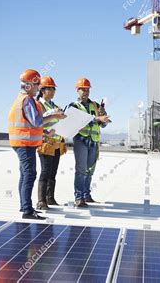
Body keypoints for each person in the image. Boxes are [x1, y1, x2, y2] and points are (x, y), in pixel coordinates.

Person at [8, 69, 65, 220]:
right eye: (36, 85)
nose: (38, 88)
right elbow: (37, 121)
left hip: (22, 142)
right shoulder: (27, 100)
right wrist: (55, 116)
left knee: (24, 174)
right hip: (24, 143)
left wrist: (44, 132)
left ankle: (24, 205)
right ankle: (27, 210)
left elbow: (31, 124)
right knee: (29, 174)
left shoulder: (21, 99)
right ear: (29, 85)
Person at [69, 78, 110, 208]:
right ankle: (78, 198)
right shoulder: (73, 106)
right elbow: (78, 121)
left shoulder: (95, 105)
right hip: (81, 140)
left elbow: (102, 125)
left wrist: (104, 118)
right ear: (77, 90)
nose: (86, 92)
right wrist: (97, 118)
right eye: (83, 89)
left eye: (87, 89)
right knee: (81, 170)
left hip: (93, 141)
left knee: (90, 170)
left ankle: (86, 195)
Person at [35, 76, 67, 210]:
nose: (53, 91)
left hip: (57, 143)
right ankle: (41, 201)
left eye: (54, 89)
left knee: (53, 172)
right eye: (50, 88)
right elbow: (38, 122)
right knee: (45, 171)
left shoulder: (55, 106)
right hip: (45, 142)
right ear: (42, 90)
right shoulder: (38, 105)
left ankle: (50, 198)